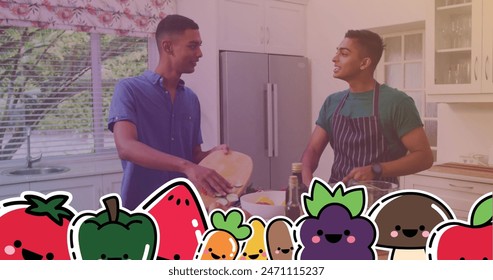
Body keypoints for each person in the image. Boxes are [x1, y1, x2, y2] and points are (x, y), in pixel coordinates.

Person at [108, 14, 232, 210]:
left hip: (183, 209)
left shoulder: (191, 99)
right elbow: (126, 147)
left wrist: (212, 154)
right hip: (141, 211)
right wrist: (187, 166)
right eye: (192, 46)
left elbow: (193, 156)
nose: (200, 53)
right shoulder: (129, 89)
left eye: (199, 45)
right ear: (168, 47)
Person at [301, 29, 434, 187]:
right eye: (337, 52)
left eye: (344, 54)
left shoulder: (397, 102)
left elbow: (424, 157)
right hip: (337, 198)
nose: (334, 59)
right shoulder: (332, 102)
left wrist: (376, 169)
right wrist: (308, 185)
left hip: (378, 199)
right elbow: (313, 150)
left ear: (364, 63)